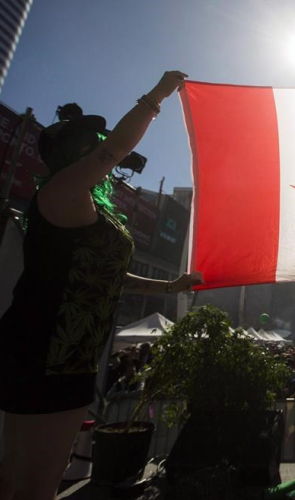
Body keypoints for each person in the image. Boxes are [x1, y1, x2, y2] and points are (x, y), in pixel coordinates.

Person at [0, 71, 204, 500]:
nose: (99, 147)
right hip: (46, 351)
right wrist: (159, 94)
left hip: (66, 354)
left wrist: (172, 288)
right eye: (88, 142)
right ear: (69, 154)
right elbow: (118, 148)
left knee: (19, 479)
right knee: (34, 485)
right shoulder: (61, 192)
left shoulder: (88, 205)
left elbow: (111, 276)